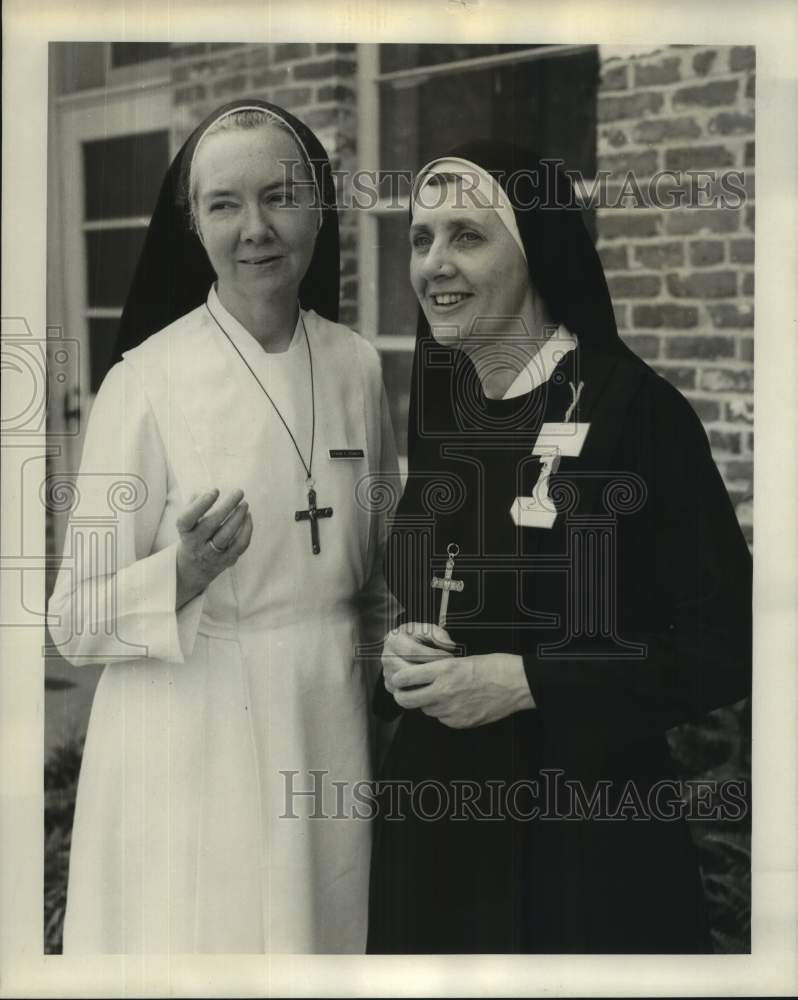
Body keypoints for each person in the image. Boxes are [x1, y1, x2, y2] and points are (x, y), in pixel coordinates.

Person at [366, 141, 752, 954]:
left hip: (586, 841)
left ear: (535, 245)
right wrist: (401, 648)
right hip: (436, 833)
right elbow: (434, 584)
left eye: (467, 235)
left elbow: (729, 643)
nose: (435, 262)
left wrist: (529, 683)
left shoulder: (637, 411)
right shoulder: (444, 404)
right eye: (421, 236)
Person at [47, 99, 398, 954]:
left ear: (318, 206)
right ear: (193, 225)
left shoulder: (357, 365)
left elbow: (384, 567)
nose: (256, 230)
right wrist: (182, 572)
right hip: (196, 730)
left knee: (325, 934)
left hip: (329, 719)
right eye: (224, 205)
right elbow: (70, 623)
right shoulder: (146, 381)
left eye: (281, 196)